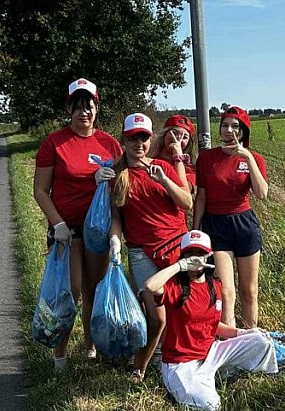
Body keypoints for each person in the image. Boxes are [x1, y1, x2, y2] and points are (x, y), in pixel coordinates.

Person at [33, 78, 121, 370]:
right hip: (66, 230)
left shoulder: (109, 143)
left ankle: (90, 348)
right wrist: (56, 222)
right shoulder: (54, 143)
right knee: (70, 291)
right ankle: (60, 356)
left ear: (97, 109)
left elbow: (122, 184)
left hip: (98, 228)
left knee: (95, 289)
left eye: (90, 107)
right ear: (69, 109)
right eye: (78, 107)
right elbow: (40, 190)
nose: (84, 113)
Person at [146, 230, 278, 410]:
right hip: (182, 363)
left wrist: (243, 333)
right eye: (190, 253)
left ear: (208, 255)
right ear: (183, 256)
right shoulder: (175, 287)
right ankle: (202, 384)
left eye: (200, 253)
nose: (195, 258)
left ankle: (225, 374)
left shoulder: (215, 286)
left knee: (262, 341)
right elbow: (150, 285)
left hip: (212, 352)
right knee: (210, 405)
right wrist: (180, 266)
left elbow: (212, 326)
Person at [108, 113, 193, 380]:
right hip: (142, 252)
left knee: (180, 308)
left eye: (144, 138)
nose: (139, 144)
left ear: (150, 138)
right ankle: (138, 369)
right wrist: (114, 240)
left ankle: (166, 360)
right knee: (157, 318)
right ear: (124, 140)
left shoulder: (163, 167)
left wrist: (164, 181)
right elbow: (116, 217)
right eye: (133, 138)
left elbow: (186, 203)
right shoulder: (118, 176)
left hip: (177, 246)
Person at [193, 106, 268, 328]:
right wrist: (195, 231)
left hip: (244, 224)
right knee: (225, 292)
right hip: (216, 225)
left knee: (249, 291)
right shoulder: (207, 158)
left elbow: (262, 193)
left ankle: (250, 340)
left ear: (244, 131)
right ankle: (232, 344)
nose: (229, 131)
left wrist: (247, 157)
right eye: (225, 125)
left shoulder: (254, 158)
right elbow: (201, 198)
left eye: (235, 126)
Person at [149, 114, 197, 196]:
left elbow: (183, 193)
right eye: (174, 133)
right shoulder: (148, 159)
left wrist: (178, 157)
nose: (178, 139)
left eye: (185, 137)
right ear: (164, 135)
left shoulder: (189, 168)